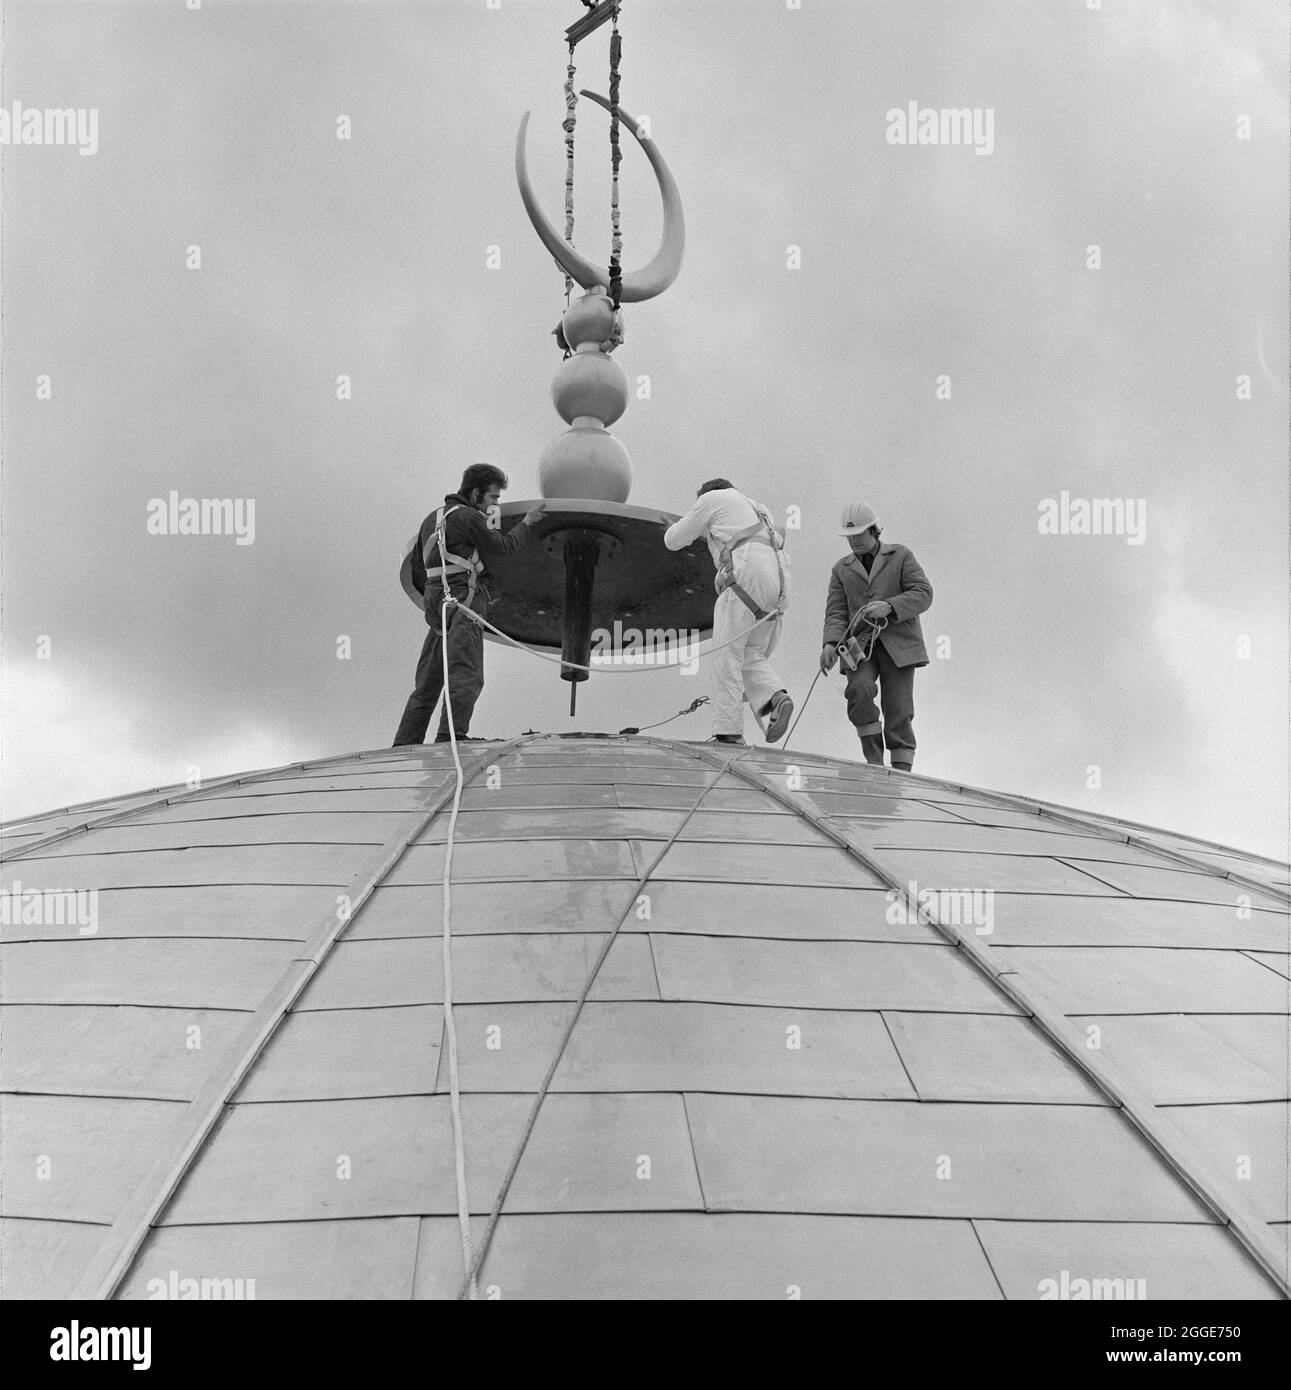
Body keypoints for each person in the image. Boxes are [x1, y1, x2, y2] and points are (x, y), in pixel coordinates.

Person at [392, 464, 544, 745]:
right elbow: (505, 547)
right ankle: (451, 736)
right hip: (463, 602)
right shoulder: (470, 518)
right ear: (475, 494)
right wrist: (527, 523)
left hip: (436, 606)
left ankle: (405, 743)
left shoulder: (430, 520)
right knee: (466, 673)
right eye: (493, 498)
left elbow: (420, 566)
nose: (495, 505)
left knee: (427, 683)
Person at [663, 479, 793, 745]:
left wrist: (674, 527)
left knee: (726, 657)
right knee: (750, 654)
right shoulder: (760, 510)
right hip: (777, 589)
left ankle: (728, 733)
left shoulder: (711, 500)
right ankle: (774, 699)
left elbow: (673, 540)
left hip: (744, 581)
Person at [820, 502, 932, 770]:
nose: (854, 541)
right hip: (859, 644)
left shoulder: (901, 555)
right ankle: (873, 759)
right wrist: (830, 644)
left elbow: (923, 593)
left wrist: (890, 606)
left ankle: (902, 769)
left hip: (899, 645)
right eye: (850, 536)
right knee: (859, 690)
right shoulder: (841, 569)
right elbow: (836, 612)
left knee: (899, 708)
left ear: (873, 531)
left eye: (859, 534)